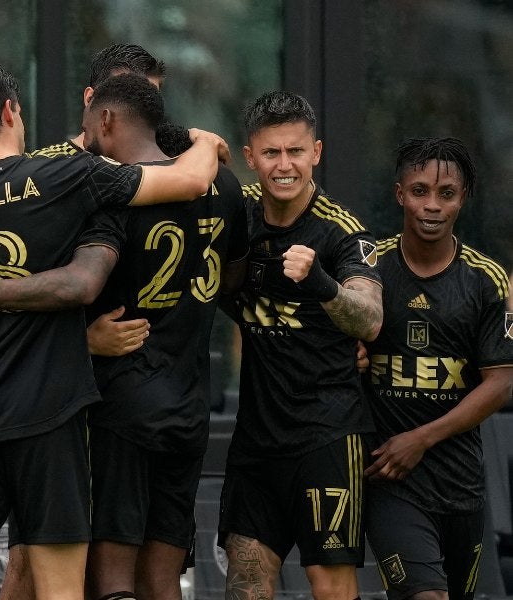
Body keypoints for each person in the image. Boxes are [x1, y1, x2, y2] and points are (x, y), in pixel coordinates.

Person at [0, 58, 226, 600]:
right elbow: (191, 180)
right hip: (47, 413)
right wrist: (204, 139)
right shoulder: (61, 177)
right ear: (12, 109)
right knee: (62, 589)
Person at [218, 90, 383, 600]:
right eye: (271, 153)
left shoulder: (341, 233)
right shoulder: (237, 215)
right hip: (256, 442)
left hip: (327, 438)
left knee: (330, 585)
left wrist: (322, 285)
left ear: (317, 152)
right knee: (245, 583)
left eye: (295, 151)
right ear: (250, 157)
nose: (284, 165)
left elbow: (371, 319)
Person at [362, 137, 513, 600]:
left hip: (460, 485)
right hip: (389, 480)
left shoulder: (486, 280)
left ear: (463, 198)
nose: (432, 205)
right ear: (399, 193)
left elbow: (502, 383)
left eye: (446, 193)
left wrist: (422, 439)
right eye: (420, 190)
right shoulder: (369, 267)